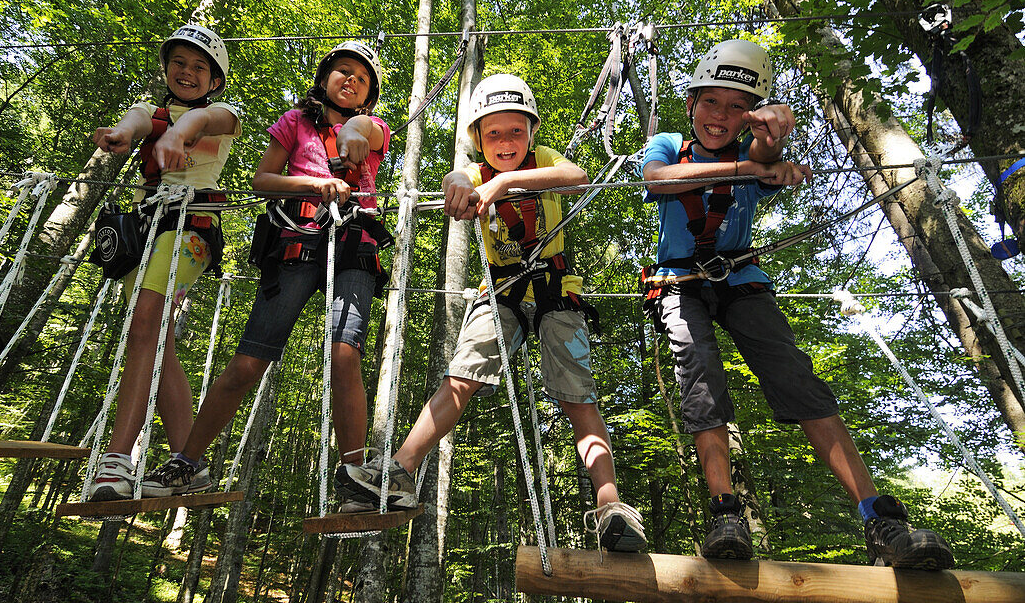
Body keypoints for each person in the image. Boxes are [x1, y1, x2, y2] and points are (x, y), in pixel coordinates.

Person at [639, 39, 955, 569]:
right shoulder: (669, 144)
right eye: (710, 102)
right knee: (700, 380)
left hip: (741, 278)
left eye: (737, 106)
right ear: (691, 103)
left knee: (796, 377)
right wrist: (753, 169)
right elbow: (656, 180)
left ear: (748, 117)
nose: (720, 115)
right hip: (678, 280)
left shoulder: (751, 152)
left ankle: (879, 518)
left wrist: (773, 143)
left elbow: (763, 157)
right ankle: (724, 513)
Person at [336, 74, 648, 551]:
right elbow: (456, 179)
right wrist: (463, 184)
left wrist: (503, 183)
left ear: (532, 133)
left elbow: (576, 178)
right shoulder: (473, 173)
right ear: (478, 139)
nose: (505, 143)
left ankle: (610, 505)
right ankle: (399, 471)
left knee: (576, 396)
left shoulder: (541, 162)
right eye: (493, 134)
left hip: (553, 289)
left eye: (516, 132)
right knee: (462, 377)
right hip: (500, 290)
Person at [142, 41, 391, 509]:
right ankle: (188, 463)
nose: (351, 80)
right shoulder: (295, 123)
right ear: (324, 79)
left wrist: (356, 127)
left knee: (345, 355)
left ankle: (355, 473)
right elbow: (262, 180)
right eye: (342, 71)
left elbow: (366, 132)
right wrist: (315, 184)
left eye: (361, 77)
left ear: (368, 95)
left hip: (354, 242)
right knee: (249, 362)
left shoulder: (371, 126)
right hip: (295, 241)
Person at [89, 24, 241, 501]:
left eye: (200, 67)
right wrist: (119, 135)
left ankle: (116, 460)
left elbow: (199, 124)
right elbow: (137, 123)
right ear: (166, 69)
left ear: (215, 80)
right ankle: (187, 462)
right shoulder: (151, 112)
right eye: (179, 63)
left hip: (190, 230)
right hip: (145, 235)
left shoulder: (223, 113)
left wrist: (178, 131)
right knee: (157, 343)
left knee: (144, 325)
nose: (188, 72)